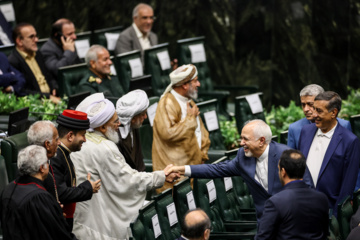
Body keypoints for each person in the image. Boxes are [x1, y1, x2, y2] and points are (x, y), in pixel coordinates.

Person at [71, 96, 179, 239]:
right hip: (97, 220)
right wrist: (162, 176)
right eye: (115, 121)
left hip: (82, 217)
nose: (119, 123)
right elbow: (129, 180)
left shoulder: (82, 141)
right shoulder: (105, 147)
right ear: (102, 127)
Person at [165, 119, 302, 220]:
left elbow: (303, 188)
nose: (241, 143)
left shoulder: (285, 155)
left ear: (261, 141)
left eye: (245, 139)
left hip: (290, 220)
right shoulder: (243, 157)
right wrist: (183, 169)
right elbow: (215, 169)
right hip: (265, 222)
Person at [299, 91, 360, 216]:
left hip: (329, 210)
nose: (314, 114)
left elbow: (347, 184)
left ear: (333, 113)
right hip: (302, 206)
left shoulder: (350, 141)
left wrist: (336, 217)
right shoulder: (305, 131)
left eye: (319, 111)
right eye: (314, 109)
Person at [152, 64, 211, 193]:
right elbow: (168, 133)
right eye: (195, 81)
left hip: (193, 169)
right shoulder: (167, 103)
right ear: (184, 84)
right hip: (175, 177)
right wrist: (190, 119)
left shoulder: (188, 101)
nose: (199, 84)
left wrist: (202, 155)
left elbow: (200, 132)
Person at [0, 145, 76, 239]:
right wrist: (55, 213)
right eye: (47, 163)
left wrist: (52, 208)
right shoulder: (39, 197)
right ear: (41, 168)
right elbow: (58, 234)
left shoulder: (8, 188)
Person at [43, 109, 101, 231]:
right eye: (83, 135)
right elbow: (61, 193)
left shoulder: (63, 153)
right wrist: (87, 188)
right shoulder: (56, 156)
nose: (85, 140)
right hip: (58, 223)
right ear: (70, 136)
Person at [255, 149, 329, 240]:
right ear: (303, 170)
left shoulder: (275, 202)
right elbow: (325, 232)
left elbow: (263, 238)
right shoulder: (322, 199)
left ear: (283, 171)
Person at [287, 84, 351, 150]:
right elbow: (291, 158)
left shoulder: (343, 125)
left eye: (310, 104)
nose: (306, 109)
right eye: (303, 105)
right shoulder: (295, 128)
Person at [8, 23, 60, 103]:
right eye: (31, 37)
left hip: (52, 98)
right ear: (19, 41)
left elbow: (49, 76)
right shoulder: (13, 61)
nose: (36, 40)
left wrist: (54, 86)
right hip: (36, 103)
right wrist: (48, 97)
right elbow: (22, 91)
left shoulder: (38, 54)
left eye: (36, 36)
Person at [116, 89, 149, 171]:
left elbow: (139, 161)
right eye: (143, 114)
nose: (145, 117)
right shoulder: (115, 137)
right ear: (133, 118)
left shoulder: (134, 126)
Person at [27, 120, 61, 199]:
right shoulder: (39, 173)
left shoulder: (28, 165)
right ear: (47, 144)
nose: (59, 143)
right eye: (56, 139)